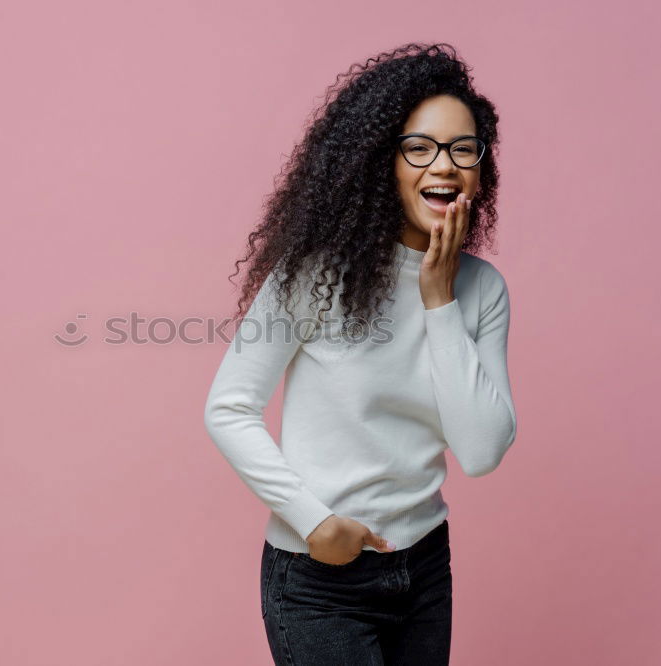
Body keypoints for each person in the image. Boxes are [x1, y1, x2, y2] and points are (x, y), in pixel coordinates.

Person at [202, 43, 517, 665]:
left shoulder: (482, 290)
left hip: (425, 569)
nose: (444, 167)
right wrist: (313, 522)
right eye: (419, 148)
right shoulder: (313, 276)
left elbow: (481, 452)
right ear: (383, 162)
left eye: (463, 149)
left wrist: (438, 299)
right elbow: (228, 407)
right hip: (320, 579)